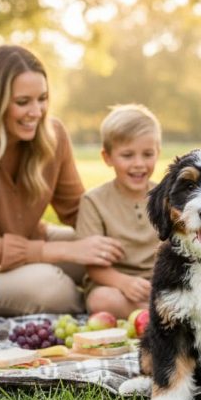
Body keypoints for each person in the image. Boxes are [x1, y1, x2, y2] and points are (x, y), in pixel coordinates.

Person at [0, 45, 124, 317]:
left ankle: (135, 299)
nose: (37, 111)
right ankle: (102, 303)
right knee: (53, 288)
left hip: (29, 243)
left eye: (42, 99)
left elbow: (78, 210)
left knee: (114, 250)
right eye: (22, 102)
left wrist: (130, 230)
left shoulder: (52, 134)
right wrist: (67, 251)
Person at [74, 104, 162, 319]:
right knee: (101, 300)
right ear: (107, 157)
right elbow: (93, 266)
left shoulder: (167, 197)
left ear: (158, 153)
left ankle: (158, 313)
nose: (139, 164)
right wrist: (124, 283)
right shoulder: (93, 201)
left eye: (147, 154)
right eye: (127, 155)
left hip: (159, 284)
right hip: (115, 285)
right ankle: (159, 317)